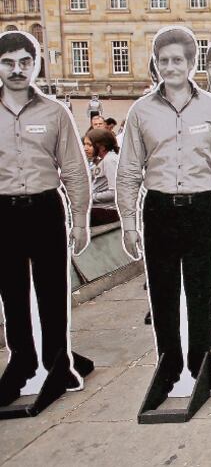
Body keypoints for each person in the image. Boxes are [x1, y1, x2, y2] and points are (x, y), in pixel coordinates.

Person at [117, 26, 211, 397]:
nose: (171, 67)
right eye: (164, 60)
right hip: (158, 210)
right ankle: (170, 364)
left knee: (202, 294)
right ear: (156, 65)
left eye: (178, 60)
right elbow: (128, 172)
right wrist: (128, 223)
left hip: (201, 208)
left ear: (191, 63)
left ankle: (202, 363)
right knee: (164, 294)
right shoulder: (140, 111)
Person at [0, 31, 90, 406]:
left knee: (53, 290)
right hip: (3, 211)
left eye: (25, 62)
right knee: (12, 292)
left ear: (35, 64)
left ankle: (57, 360)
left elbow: (73, 168)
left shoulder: (55, 112)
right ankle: (21, 360)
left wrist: (81, 218)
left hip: (45, 208)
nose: (18, 70)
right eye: (9, 62)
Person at [85, 127, 120, 227]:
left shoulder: (110, 160)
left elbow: (115, 192)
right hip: (99, 209)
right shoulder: (104, 159)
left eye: (89, 145)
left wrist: (90, 198)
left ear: (102, 147)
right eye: (85, 144)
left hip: (106, 211)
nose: (85, 148)